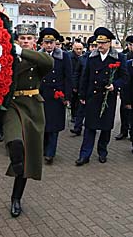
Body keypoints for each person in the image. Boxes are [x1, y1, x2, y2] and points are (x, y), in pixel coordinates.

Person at [5, 24, 54, 217]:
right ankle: (16, 161)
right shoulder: (9, 58)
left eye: (29, 39)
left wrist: (21, 52)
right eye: (22, 38)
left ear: (35, 42)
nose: (25, 41)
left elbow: (48, 63)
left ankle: (16, 198)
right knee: (15, 142)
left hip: (33, 107)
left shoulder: (39, 59)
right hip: (13, 106)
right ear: (17, 40)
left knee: (28, 157)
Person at [76, 27, 127, 166]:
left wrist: (115, 85)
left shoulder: (119, 57)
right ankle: (84, 155)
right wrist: (82, 94)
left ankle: (102, 152)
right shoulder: (92, 57)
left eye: (103, 43)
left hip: (108, 98)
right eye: (98, 42)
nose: (100, 45)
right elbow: (85, 77)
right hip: (93, 96)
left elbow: (124, 77)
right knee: (90, 127)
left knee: (105, 128)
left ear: (109, 43)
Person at [39, 28, 72, 164]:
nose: (48, 45)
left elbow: (68, 77)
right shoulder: (38, 56)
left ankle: (50, 153)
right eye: (46, 42)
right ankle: (43, 149)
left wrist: (67, 97)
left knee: (54, 126)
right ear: (42, 43)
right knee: (43, 124)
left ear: (55, 43)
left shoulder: (63, 56)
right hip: (41, 95)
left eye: (51, 42)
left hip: (56, 96)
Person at [115, 35, 133, 141]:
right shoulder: (125, 57)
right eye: (132, 45)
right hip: (126, 89)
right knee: (124, 111)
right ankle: (123, 131)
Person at [70, 36, 97, 136]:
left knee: (92, 110)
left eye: (95, 46)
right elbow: (76, 74)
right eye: (92, 46)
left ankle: (91, 127)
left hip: (95, 88)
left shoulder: (100, 59)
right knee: (81, 109)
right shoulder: (83, 59)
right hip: (84, 88)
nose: (94, 48)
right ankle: (77, 128)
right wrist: (75, 86)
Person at [69, 42, 84, 123]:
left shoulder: (84, 57)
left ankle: (78, 117)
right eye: (77, 49)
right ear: (73, 49)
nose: (79, 51)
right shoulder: (70, 57)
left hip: (81, 82)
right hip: (73, 81)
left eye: (80, 49)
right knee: (74, 100)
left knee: (79, 101)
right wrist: (73, 85)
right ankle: (74, 115)